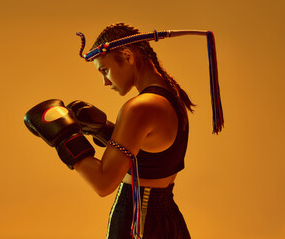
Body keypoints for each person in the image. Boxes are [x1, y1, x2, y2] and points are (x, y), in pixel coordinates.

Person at [24, 23, 223, 239]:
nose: (105, 81)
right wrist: (103, 130)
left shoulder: (139, 107)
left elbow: (103, 183)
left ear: (128, 56)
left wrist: (65, 137)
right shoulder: (170, 93)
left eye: (105, 70)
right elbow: (149, 151)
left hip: (138, 220)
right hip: (165, 215)